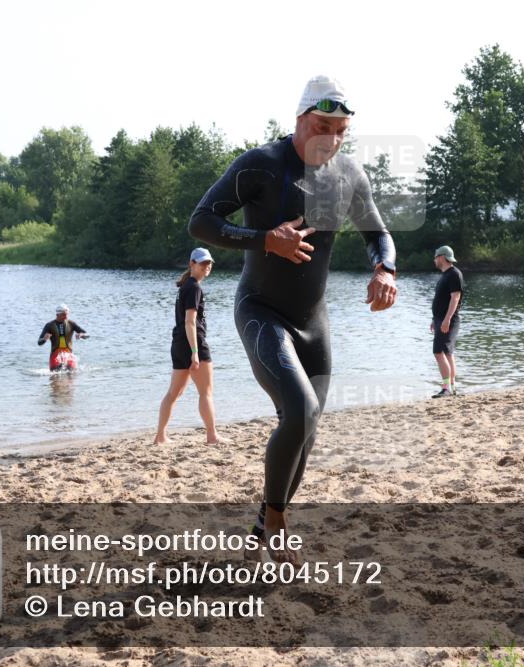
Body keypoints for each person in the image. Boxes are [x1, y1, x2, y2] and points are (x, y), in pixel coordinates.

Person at [189, 75, 397, 563]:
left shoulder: (348, 175)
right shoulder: (261, 165)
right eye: (324, 125)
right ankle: (278, 520)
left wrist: (384, 269)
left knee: (308, 425)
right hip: (261, 311)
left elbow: (378, 234)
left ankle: (265, 519)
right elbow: (201, 221)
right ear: (301, 119)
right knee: (299, 411)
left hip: (313, 320)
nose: (333, 137)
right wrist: (265, 238)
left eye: (342, 129)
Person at [155, 248, 221, 445]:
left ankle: (160, 436)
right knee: (205, 392)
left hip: (178, 344)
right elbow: (190, 322)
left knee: (174, 393)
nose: (207, 266)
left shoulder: (185, 286)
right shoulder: (193, 287)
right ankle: (212, 436)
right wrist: (194, 353)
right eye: (202, 263)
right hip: (194, 344)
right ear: (192, 264)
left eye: (209, 263)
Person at [430, 245, 464, 397]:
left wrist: (447, 320)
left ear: (442, 257)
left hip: (448, 320)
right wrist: (434, 319)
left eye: (436, 257)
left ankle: (446, 388)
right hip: (440, 319)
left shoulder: (454, 274)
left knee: (438, 352)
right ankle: (452, 387)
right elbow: (441, 300)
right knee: (447, 353)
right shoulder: (445, 275)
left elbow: (455, 297)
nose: (434, 260)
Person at [38, 304, 88, 371]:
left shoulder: (71, 323)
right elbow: (39, 342)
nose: (66, 316)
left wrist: (81, 335)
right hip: (55, 354)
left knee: (72, 374)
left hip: (68, 353)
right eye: (63, 315)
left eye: (67, 314)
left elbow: (86, 334)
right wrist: (44, 339)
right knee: (54, 374)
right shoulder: (49, 325)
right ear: (57, 315)